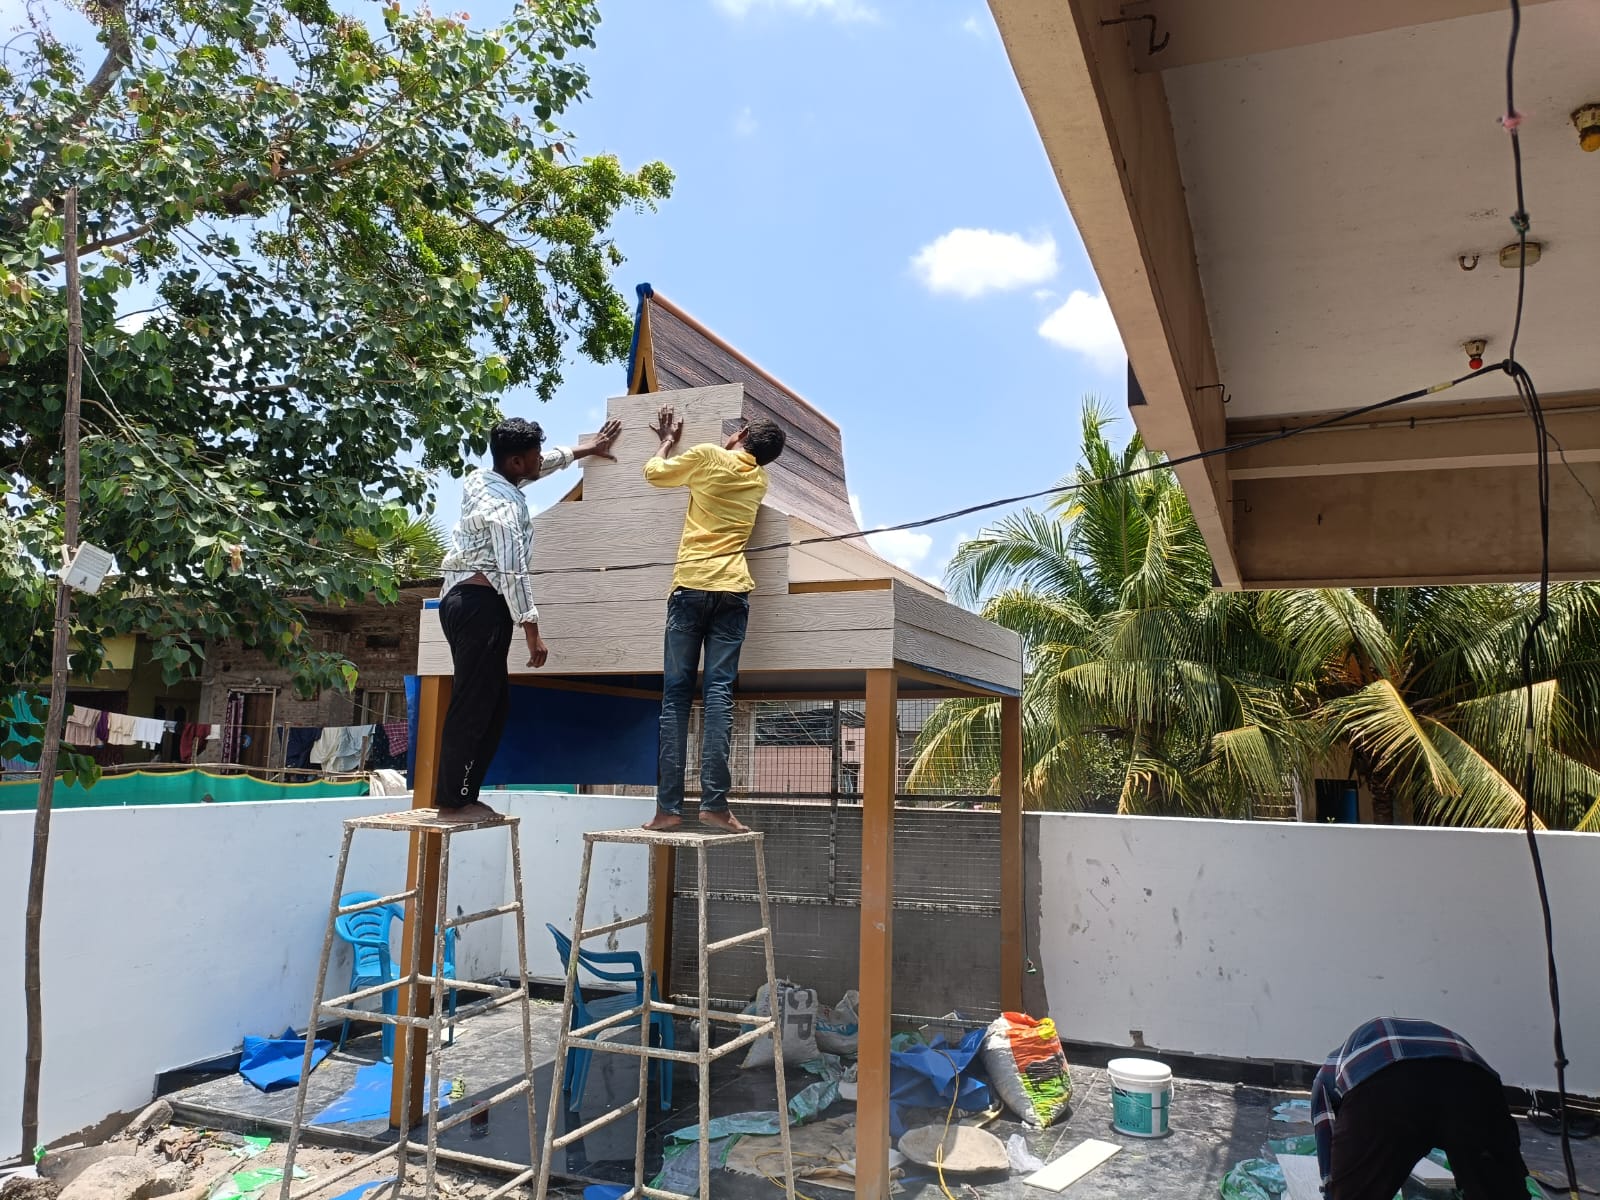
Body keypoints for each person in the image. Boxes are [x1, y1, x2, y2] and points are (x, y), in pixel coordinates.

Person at [433, 416, 621, 816]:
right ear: (516, 462)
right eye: (533, 455)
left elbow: (545, 463)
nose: (540, 460)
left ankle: (462, 795)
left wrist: (587, 449)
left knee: (494, 705)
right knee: (475, 705)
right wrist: (532, 630)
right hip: (481, 605)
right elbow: (512, 570)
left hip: (464, 602)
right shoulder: (502, 509)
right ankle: (453, 799)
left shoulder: (482, 479)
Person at [641, 404, 786, 833]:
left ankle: (668, 811)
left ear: (740, 433)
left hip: (689, 587)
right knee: (719, 694)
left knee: (676, 699)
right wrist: (735, 448)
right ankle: (715, 806)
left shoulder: (706, 457)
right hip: (733, 593)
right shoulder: (760, 480)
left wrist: (666, 441)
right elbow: (739, 465)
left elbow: (654, 474)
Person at [1312, 1017, 1533, 1199]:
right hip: (1471, 1080)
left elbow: (1327, 1143)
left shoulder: (1325, 1077)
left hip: (1386, 1085)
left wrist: (1334, 1190)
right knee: (1502, 1192)